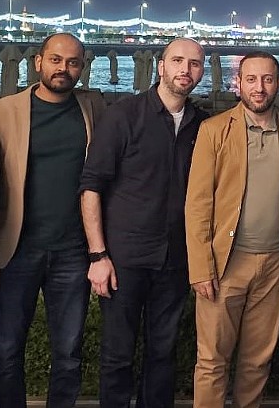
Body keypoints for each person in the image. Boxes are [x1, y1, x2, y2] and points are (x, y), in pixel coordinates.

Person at [0, 32, 106, 408]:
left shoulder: (94, 109)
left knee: (68, 354)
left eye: (72, 62)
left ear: (82, 68)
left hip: (73, 252)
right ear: (38, 62)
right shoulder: (0, 114)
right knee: (6, 350)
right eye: (55, 60)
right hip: (16, 251)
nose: (63, 68)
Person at [79, 38, 208, 407]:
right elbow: (91, 187)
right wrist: (97, 255)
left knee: (163, 354)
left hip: (176, 259)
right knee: (117, 355)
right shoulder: (124, 115)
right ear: (161, 65)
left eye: (195, 64)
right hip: (124, 257)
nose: (186, 69)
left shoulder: (202, 125)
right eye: (178, 61)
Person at [185, 51, 279, 407]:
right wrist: (200, 268)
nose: (259, 88)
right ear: (237, 83)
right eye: (251, 80)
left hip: (275, 263)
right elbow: (197, 205)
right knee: (212, 360)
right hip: (225, 264)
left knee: (257, 361)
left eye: (267, 79)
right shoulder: (214, 130)